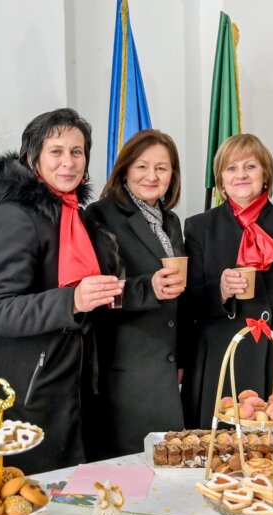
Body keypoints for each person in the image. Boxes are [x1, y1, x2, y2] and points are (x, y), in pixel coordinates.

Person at [0, 108, 122, 473]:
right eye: (56, 151)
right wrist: (72, 299)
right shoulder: (11, 217)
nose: (68, 162)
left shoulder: (73, 215)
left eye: (77, 152)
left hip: (70, 385)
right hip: (27, 393)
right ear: (32, 158)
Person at [182, 134, 273, 427]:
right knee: (216, 456)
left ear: (265, 175)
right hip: (219, 361)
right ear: (221, 178)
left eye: (250, 166)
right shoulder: (199, 227)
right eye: (231, 168)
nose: (241, 175)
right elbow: (187, 304)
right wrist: (219, 291)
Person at [83, 130, 186, 458]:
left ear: (173, 175)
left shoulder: (171, 221)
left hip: (166, 367)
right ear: (125, 169)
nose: (152, 176)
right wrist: (149, 288)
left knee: (167, 469)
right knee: (130, 474)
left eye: (162, 168)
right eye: (142, 166)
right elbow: (101, 288)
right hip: (127, 370)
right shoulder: (100, 215)